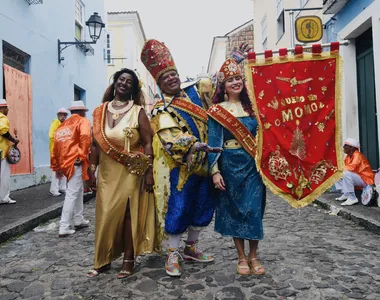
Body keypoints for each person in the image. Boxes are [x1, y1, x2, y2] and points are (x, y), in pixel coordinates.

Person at [141, 39, 222, 277]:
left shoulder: (194, 92)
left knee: (203, 205)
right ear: (159, 83)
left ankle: (191, 248)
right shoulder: (160, 109)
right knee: (179, 208)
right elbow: (169, 136)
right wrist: (193, 145)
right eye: (166, 77)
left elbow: (215, 93)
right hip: (181, 167)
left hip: (207, 163)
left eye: (174, 74)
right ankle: (172, 254)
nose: (172, 79)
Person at [87, 68, 158, 279]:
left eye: (129, 81)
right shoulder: (100, 111)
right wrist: (92, 169)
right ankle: (103, 259)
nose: (124, 83)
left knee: (128, 214)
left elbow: (147, 143)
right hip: (107, 174)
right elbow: (94, 145)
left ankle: (128, 259)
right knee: (106, 214)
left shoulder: (138, 112)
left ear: (133, 88)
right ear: (115, 82)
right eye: (121, 79)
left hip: (130, 172)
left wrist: (149, 173)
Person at [207, 58, 266, 276]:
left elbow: (265, 136)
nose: (235, 82)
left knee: (253, 210)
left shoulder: (254, 107)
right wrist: (214, 172)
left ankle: (254, 255)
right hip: (229, 165)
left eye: (238, 78)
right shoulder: (217, 110)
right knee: (234, 211)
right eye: (231, 79)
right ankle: (241, 256)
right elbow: (213, 142)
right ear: (223, 85)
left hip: (252, 165)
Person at [51, 100, 91, 237]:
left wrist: (56, 165)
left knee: (77, 190)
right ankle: (64, 225)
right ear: (81, 112)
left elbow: (55, 147)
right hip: (76, 161)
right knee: (72, 192)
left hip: (65, 163)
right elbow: (86, 137)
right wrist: (82, 155)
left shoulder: (62, 126)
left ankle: (79, 219)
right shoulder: (82, 121)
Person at [335, 138, 374, 206]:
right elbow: (343, 166)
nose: (344, 147)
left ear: (352, 148)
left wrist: (339, 169)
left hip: (366, 180)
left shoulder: (357, 155)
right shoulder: (348, 156)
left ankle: (352, 198)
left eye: (346, 145)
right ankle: (346, 194)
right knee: (336, 173)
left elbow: (352, 167)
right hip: (357, 178)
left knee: (345, 173)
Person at [0, 99, 19, 204]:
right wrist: (14, 139)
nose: (8, 109)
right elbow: (3, 131)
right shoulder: (2, 117)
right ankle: (4, 198)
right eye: (6, 108)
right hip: (2, 152)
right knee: (4, 175)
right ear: (2, 109)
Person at [49, 108, 68, 197]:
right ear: (58, 115)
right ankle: (54, 189)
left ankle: (62, 187)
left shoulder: (65, 124)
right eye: (61, 114)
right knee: (56, 169)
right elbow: (52, 135)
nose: (63, 116)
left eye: (65, 115)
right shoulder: (55, 123)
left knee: (64, 169)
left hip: (64, 150)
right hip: (55, 151)